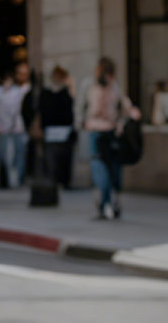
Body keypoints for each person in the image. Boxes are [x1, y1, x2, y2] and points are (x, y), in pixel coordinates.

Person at [84, 56, 141, 219]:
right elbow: (127, 106)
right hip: (103, 130)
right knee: (108, 168)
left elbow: (125, 106)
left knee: (103, 168)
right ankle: (109, 201)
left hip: (102, 131)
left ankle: (107, 203)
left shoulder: (99, 86)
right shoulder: (102, 85)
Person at [22, 66, 75, 188]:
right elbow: (42, 111)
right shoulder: (46, 93)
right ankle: (52, 180)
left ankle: (62, 180)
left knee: (62, 157)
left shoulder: (66, 92)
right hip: (50, 130)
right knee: (50, 157)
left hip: (64, 131)